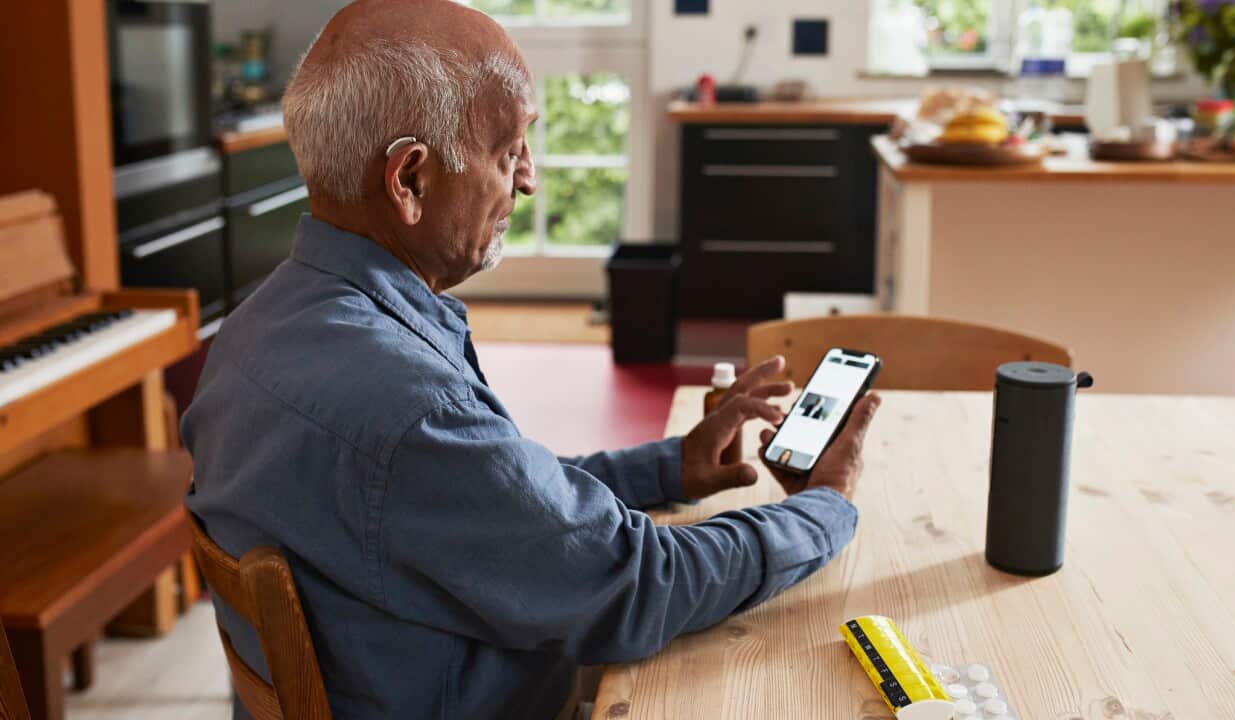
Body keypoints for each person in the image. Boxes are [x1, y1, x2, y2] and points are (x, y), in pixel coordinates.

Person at [181, 1, 881, 717]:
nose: (529, 179)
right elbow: (641, 585)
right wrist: (825, 507)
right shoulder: (410, 411)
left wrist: (669, 468)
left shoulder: (250, 333)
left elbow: (486, 500)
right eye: (508, 150)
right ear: (409, 181)